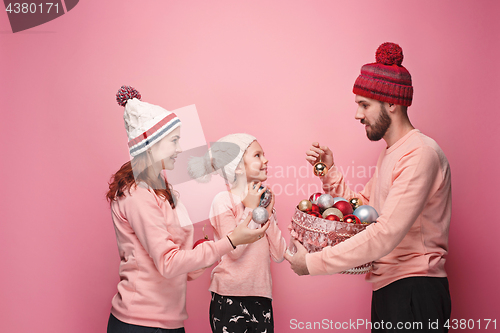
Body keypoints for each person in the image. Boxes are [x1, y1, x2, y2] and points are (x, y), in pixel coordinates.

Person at [285, 43, 452, 332]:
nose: (357, 115)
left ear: (391, 104)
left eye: (364, 105)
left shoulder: (420, 153)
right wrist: (330, 172)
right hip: (391, 289)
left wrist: (311, 263)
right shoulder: (392, 152)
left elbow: (384, 233)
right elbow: (366, 210)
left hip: (414, 292)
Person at [106, 87, 269, 333]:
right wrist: (231, 241)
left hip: (168, 322)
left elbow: (179, 267)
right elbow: (168, 263)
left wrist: (209, 255)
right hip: (140, 323)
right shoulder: (137, 193)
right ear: (150, 143)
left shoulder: (161, 188)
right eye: (174, 141)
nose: (180, 149)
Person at [188, 134, 286, 333]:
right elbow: (234, 251)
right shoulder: (223, 200)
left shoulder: (263, 204)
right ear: (238, 167)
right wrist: (251, 210)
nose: (265, 160)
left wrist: (266, 214)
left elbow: (279, 254)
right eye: (257, 155)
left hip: (261, 295)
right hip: (229, 296)